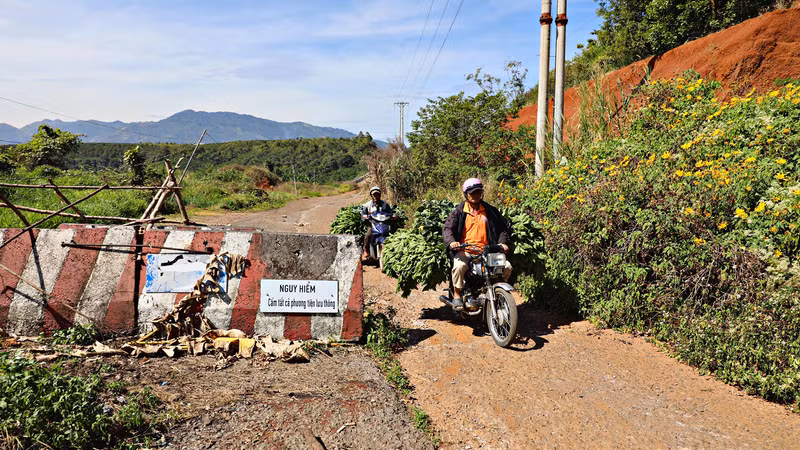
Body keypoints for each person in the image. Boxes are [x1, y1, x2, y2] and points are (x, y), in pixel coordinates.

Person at [442, 178, 512, 309]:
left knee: (507, 266)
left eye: (478, 192)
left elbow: (503, 228)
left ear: (482, 193)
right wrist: (452, 242)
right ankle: (457, 294)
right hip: (466, 251)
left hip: (488, 251)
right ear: (466, 194)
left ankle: (498, 292)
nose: (475, 195)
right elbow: (447, 229)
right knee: (459, 266)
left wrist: (502, 243)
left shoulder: (490, 211)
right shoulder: (459, 211)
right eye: (472, 193)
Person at [361, 186, 394, 258]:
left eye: (377, 194)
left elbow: (390, 213)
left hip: (383, 223)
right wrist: (365, 217)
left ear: (380, 195)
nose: (376, 196)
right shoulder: (367, 205)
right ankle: (365, 250)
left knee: (392, 233)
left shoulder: (385, 204)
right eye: (374, 195)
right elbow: (363, 214)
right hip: (373, 223)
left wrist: (392, 217)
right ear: (371, 195)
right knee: (368, 235)